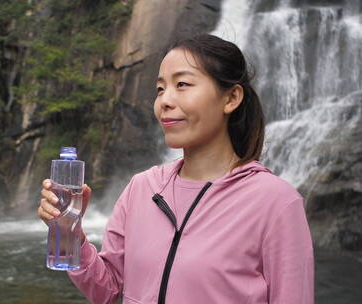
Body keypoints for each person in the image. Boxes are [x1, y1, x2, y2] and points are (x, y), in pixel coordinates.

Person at [37, 34, 314, 304]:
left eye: (182, 84)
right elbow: (107, 291)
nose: (165, 101)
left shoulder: (275, 202)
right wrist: (70, 232)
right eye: (160, 89)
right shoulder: (142, 188)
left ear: (231, 98)